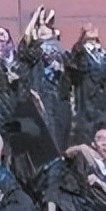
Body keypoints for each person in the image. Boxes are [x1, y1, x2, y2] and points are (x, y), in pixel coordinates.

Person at [18, 8, 72, 150]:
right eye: (41, 25)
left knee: (60, 132)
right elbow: (25, 43)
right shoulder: (35, 49)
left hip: (59, 97)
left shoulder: (62, 50)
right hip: (42, 94)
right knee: (46, 129)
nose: (45, 27)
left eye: (47, 25)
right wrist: (35, 17)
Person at [67, 25, 106, 145]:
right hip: (87, 107)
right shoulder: (80, 53)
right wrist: (81, 40)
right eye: (88, 28)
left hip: (105, 107)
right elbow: (75, 67)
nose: (92, 28)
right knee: (88, 140)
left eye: (94, 27)